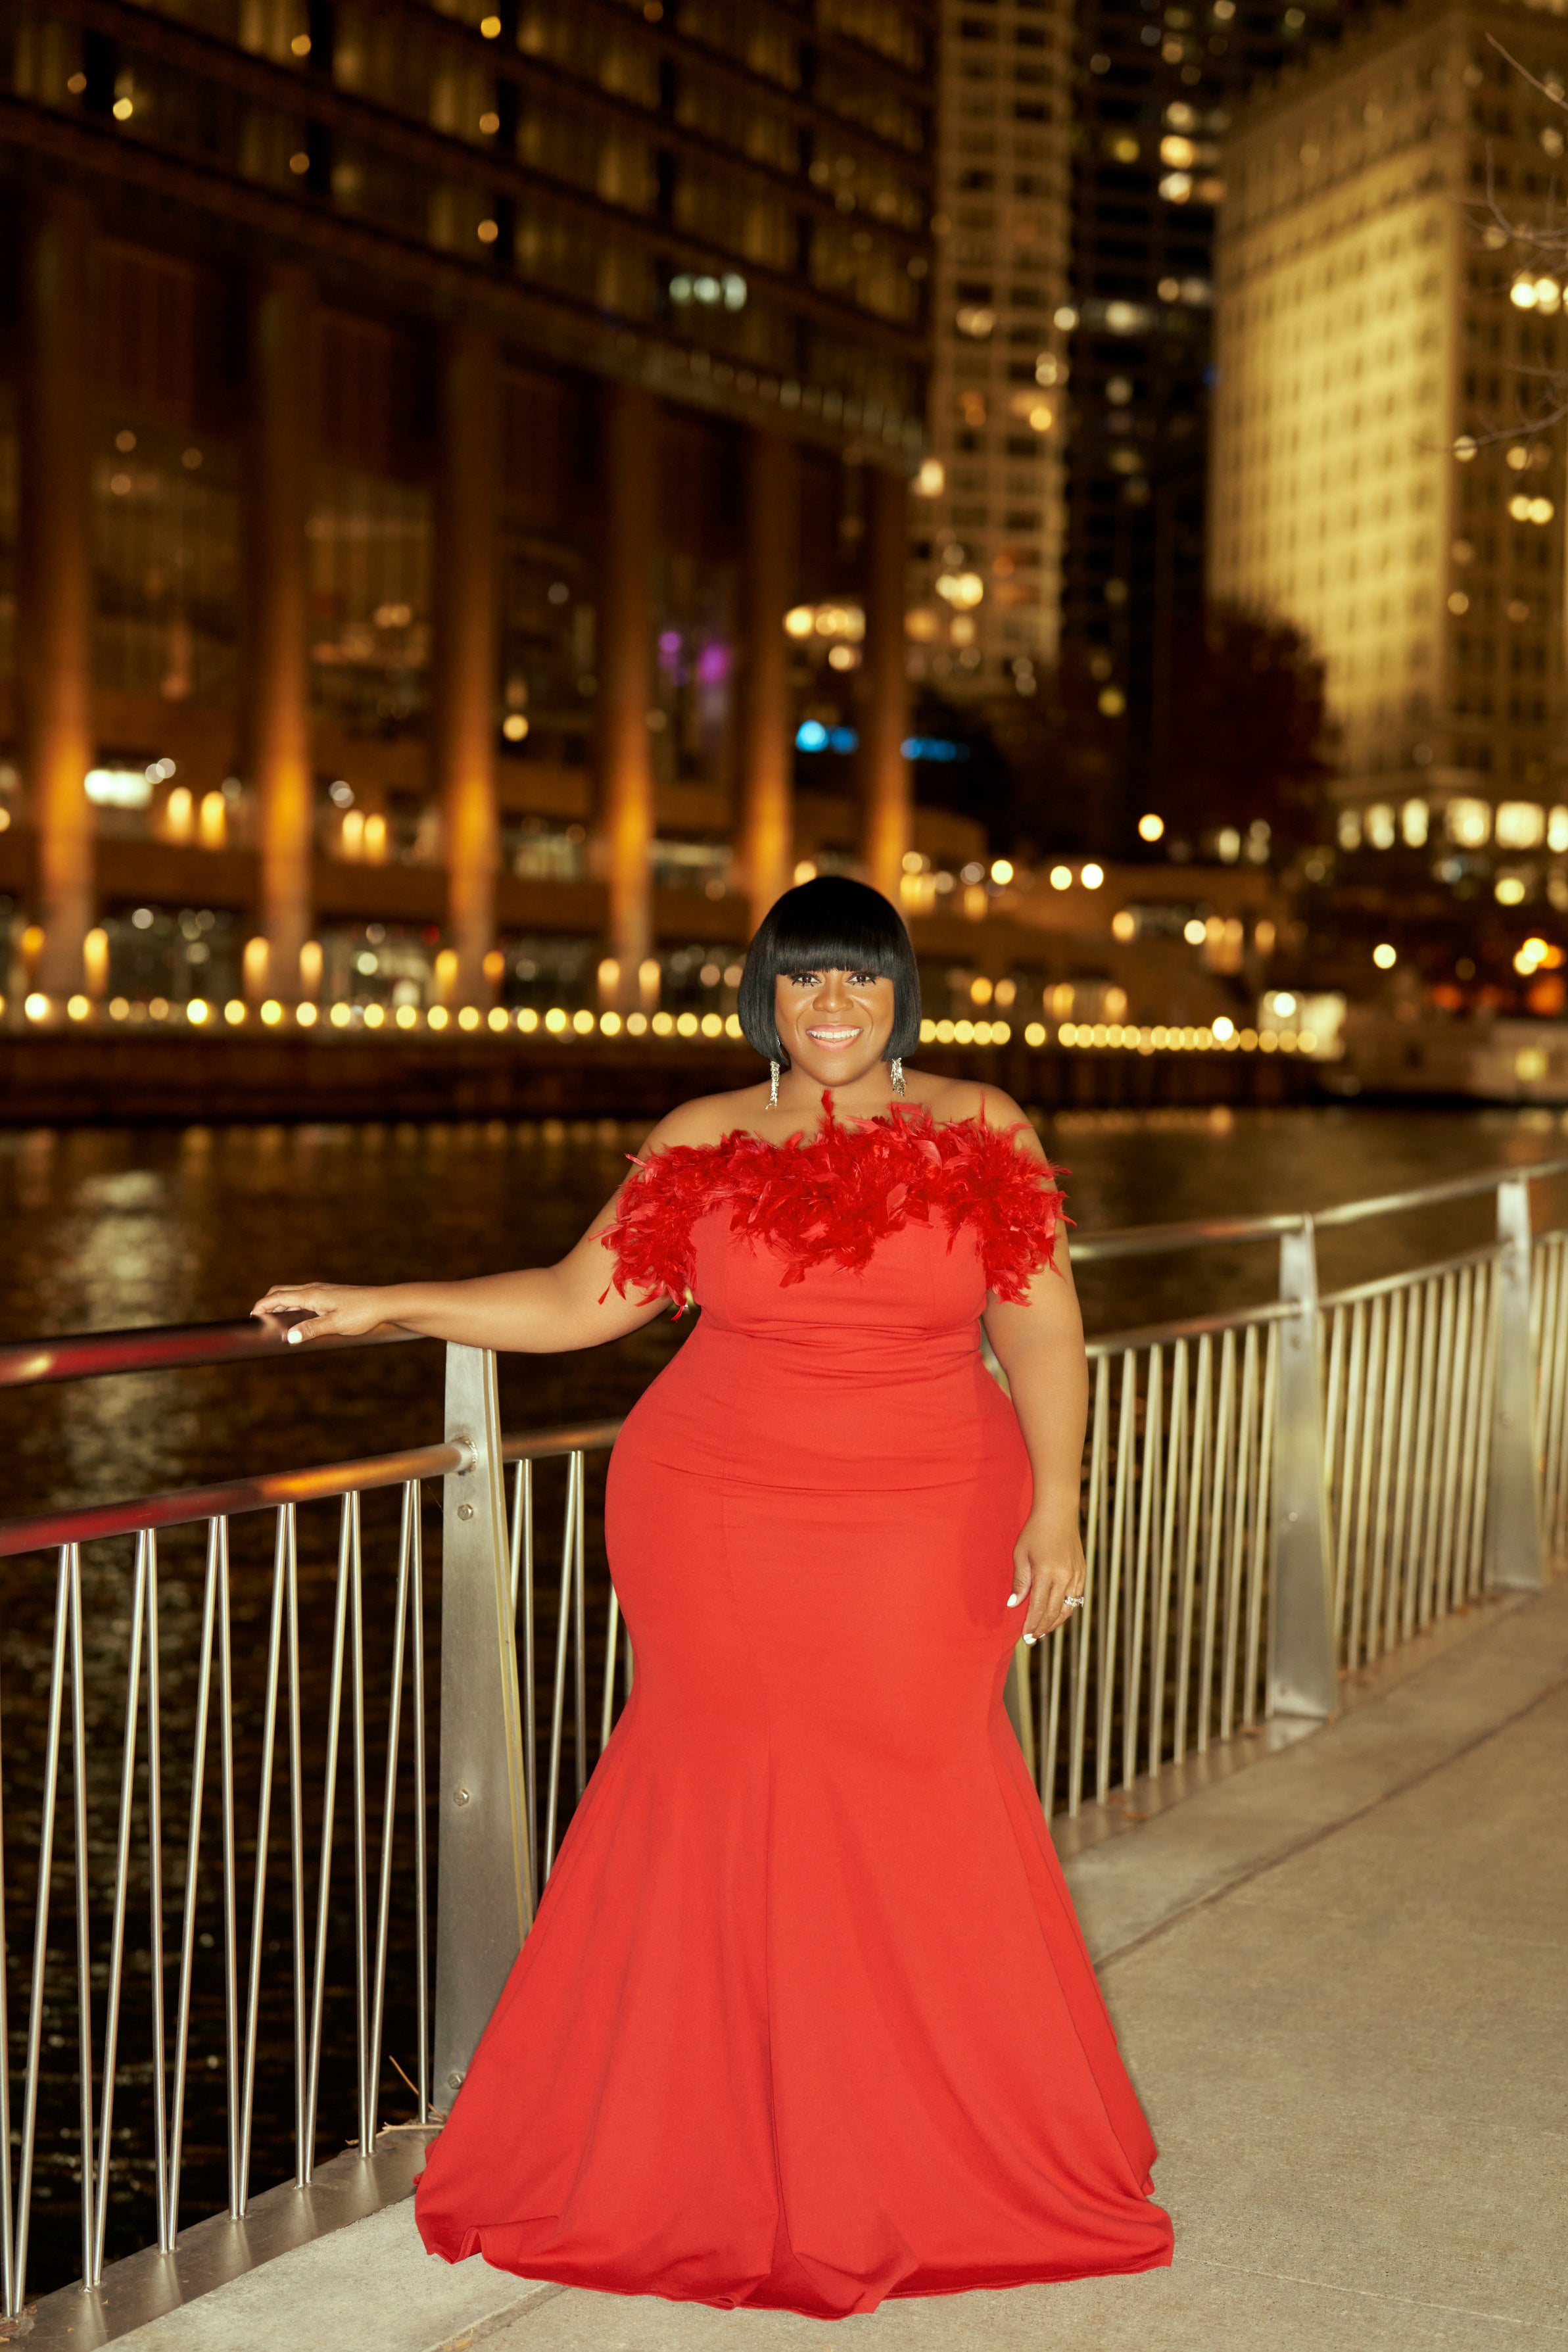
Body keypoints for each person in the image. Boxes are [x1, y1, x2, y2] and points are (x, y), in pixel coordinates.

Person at [252, 876, 1172, 2318]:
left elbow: (1041, 1322)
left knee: (912, 1791)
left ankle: (909, 2144)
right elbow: (578, 1301)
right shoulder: (701, 1135)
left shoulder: (981, 1123)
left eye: (859, 977)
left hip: (931, 1512)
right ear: (763, 995)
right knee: (721, 1792)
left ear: (900, 993)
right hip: (718, 1510)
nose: (832, 1005)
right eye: (803, 978)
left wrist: (1058, 1501)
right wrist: (389, 1301)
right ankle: (709, 2144)